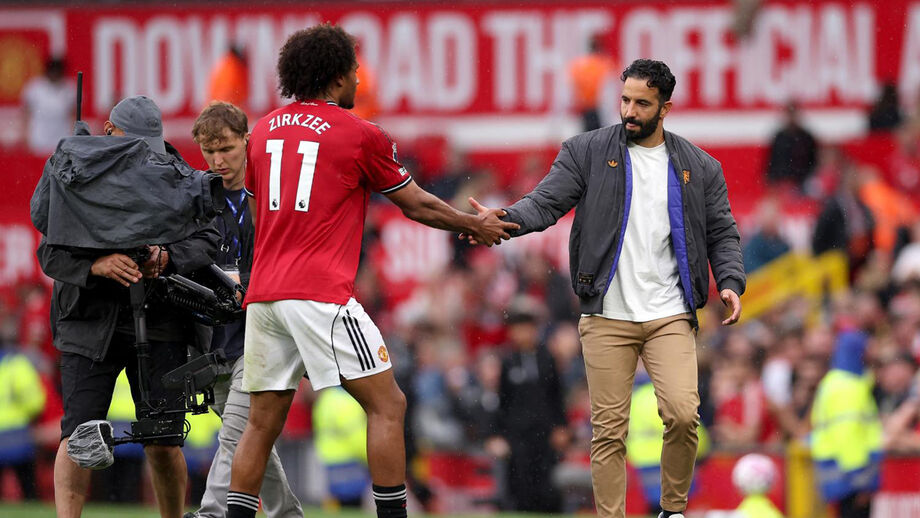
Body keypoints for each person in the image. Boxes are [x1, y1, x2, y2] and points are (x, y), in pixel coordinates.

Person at [226, 24, 518, 518]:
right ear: (338, 79)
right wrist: (474, 224)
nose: (361, 79)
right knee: (389, 405)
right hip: (321, 294)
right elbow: (417, 205)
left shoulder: (263, 132)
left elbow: (257, 221)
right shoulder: (359, 134)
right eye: (356, 71)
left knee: (261, 423)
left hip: (265, 295)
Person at [471, 59, 745, 518]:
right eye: (625, 100)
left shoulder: (701, 167)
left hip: (670, 313)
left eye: (642, 103)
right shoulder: (586, 151)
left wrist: (732, 282)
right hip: (606, 314)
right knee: (608, 432)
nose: (629, 111)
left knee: (681, 413)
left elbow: (723, 233)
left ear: (665, 108)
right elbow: (545, 202)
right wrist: (502, 221)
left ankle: (672, 510)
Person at [34, 95, 220, 518]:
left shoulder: (179, 177)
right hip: (89, 323)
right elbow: (50, 254)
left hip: (161, 321)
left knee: (165, 439)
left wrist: (167, 256)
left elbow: (209, 238)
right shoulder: (74, 176)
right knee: (79, 434)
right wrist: (96, 265)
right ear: (109, 132)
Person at [184, 102, 303, 518]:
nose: (218, 161)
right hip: (212, 336)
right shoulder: (195, 198)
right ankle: (287, 515)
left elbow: (291, 253)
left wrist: (246, 285)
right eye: (209, 152)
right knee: (251, 440)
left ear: (247, 142)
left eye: (228, 150)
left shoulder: (272, 190)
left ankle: (211, 512)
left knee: (236, 433)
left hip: (262, 329)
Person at [485, 297, 567, 512]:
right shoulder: (508, 361)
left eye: (526, 328)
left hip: (544, 434)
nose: (521, 333)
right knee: (520, 486)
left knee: (547, 487)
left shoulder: (547, 359)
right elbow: (502, 401)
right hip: (518, 436)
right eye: (517, 328)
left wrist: (561, 427)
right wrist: (497, 434)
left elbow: (557, 395)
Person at [811, 331, 882, 518]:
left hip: (839, 474)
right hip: (852, 479)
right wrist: (861, 482)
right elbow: (848, 435)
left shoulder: (835, 382)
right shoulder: (848, 387)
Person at [21, 57, 75, 155]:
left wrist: (73, 139)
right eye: (52, 71)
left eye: (57, 71)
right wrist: (25, 137)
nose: (54, 74)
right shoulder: (35, 87)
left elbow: (73, 116)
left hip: (61, 141)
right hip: (38, 140)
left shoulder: (70, 88)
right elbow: (26, 114)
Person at [568, 36, 616, 133]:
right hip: (598, 111)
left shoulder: (579, 66)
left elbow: (570, 90)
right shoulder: (605, 65)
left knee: (586, 140)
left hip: (584, 111)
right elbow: (608, 94)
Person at [765, 102, 818, 189]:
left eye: (793, 114)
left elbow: (813, 163)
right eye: (789, 114)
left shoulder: (806, 137)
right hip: (780, 183)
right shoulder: (779, 137)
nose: (792, 117)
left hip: (802, 183)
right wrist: (775, 180)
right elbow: (772, 163)